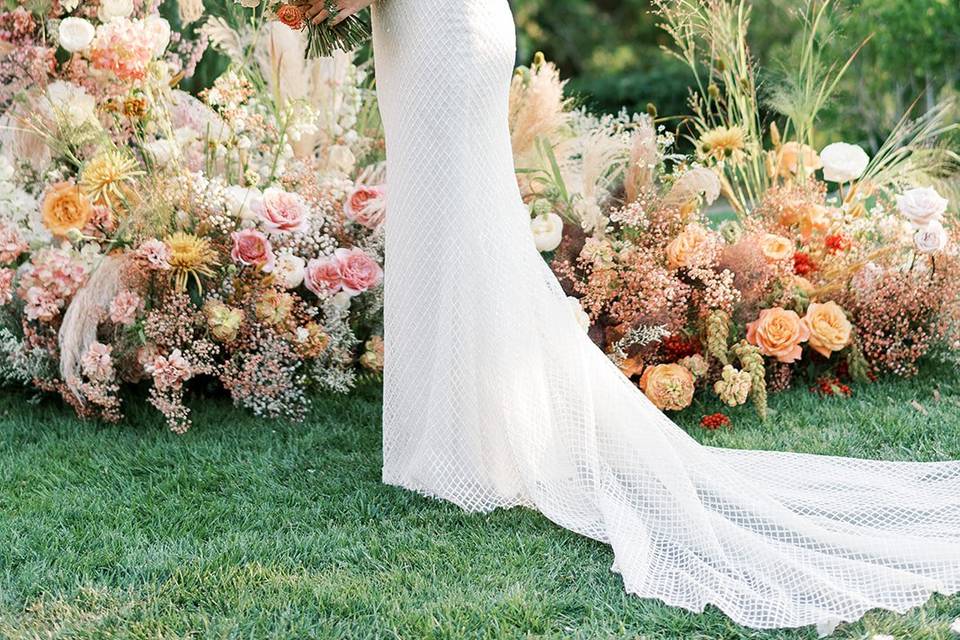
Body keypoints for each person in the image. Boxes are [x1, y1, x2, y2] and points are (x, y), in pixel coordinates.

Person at [302, 0, 960, 633]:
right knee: (446, 225)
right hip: (421, 31)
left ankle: (466, 446)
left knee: (460, 227)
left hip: (445, 28)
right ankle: (462, 432)